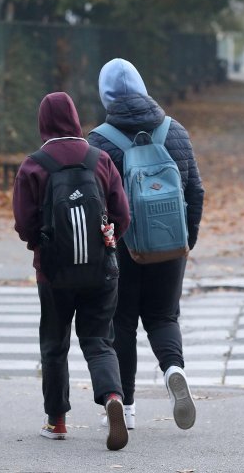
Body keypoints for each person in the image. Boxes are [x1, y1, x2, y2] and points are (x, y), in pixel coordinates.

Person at [87, 58, 205, 431]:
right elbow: (196, 190)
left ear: (105, 94)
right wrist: (187, 239)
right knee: (164, 316)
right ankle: (173, 369)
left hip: (122, 247)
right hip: (170, 244)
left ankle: (129, 408)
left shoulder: (99, 140)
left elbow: (95, 202)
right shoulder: (176, 132)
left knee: (121, 324)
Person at [13, 91, 131, 451]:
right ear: (76, 119)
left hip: (53, 273)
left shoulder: (34, 165)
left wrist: (41, 244)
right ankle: (112, 396)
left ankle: (57, 420)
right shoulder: (100, 159)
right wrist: (110, 238)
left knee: (54, 344)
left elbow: (24, 224)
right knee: (98, 340)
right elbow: (122, 215)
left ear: (43, 122)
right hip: (100, 270)